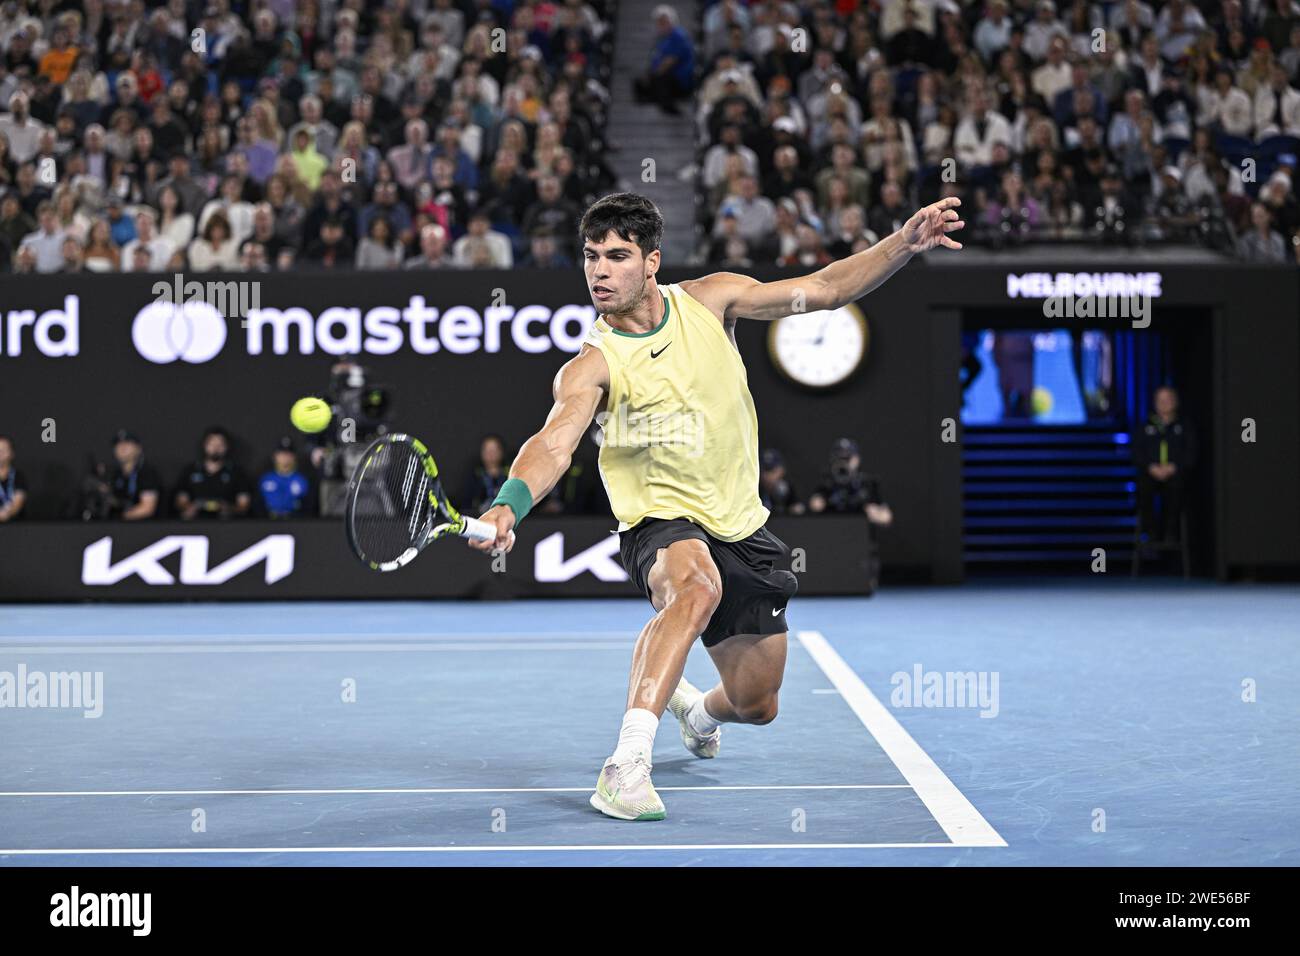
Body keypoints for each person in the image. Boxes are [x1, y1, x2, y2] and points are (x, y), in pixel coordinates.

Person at [466, 190, 963, 820]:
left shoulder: (712, 299)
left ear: (651, 262)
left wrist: (904, 243)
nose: (598, 270)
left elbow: (827, 288)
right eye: (591, 257)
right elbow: (554, 442)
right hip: (659, 521)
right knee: (694, 589)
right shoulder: (590, 366)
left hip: (742, 524)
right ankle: (625, 767)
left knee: (758, 703)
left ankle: (696, 712)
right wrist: (509, 506)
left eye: (616, 256)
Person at [1134, 386, 1196, 544]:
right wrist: (1151, 467)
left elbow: (1191, 452)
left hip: (1175, 474)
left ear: (1175, 402)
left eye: (1168, 400)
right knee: (1143, 488)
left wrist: (1174, 467)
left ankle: (1170, 532)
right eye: (1161, 400)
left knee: (1178, 489)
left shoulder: (1183, 426)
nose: (1164, 404)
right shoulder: (1145, 426)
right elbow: (1137, 452)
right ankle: (1150, 532)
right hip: (1151, 474)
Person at [175, 427, 252, 519]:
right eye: (212, 444)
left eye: (220, 444)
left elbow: (243, 506)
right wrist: (191, 508)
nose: (216, 448)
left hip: (228, 525)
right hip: (195, 524)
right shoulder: (190, 471)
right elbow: (181, 502)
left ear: (227, 446)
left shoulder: (236, 472)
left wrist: (229, 509)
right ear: (204, 445)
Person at [258, 438, 311, 518]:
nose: (285, 457)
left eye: (288, 454)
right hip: (268, 520)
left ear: (294, 457)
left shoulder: (302, 480)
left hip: (295, 521)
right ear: (275, 456)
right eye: (282, 453)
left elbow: (308, 505)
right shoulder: (266, 478)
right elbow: (258, 503)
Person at [463, 434, 511, 515]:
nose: (491, 454)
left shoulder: (509, 475)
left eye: (494, 450)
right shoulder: (475, 476)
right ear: (482, 452)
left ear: (501, 452)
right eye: (488, 450)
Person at [758, 448, 804, 515]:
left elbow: (799, 507)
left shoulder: (788, 489)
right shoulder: (755, 489)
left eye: (773, 471)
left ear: (781, 470)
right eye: (766, 471)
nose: (769, 476)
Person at [0, 434, 28, 521]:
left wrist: (7, 513)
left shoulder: (18, 476)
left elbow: (18, 503)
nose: (0, 453)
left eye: (3, 450)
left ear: (11, 453)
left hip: (15, 528)